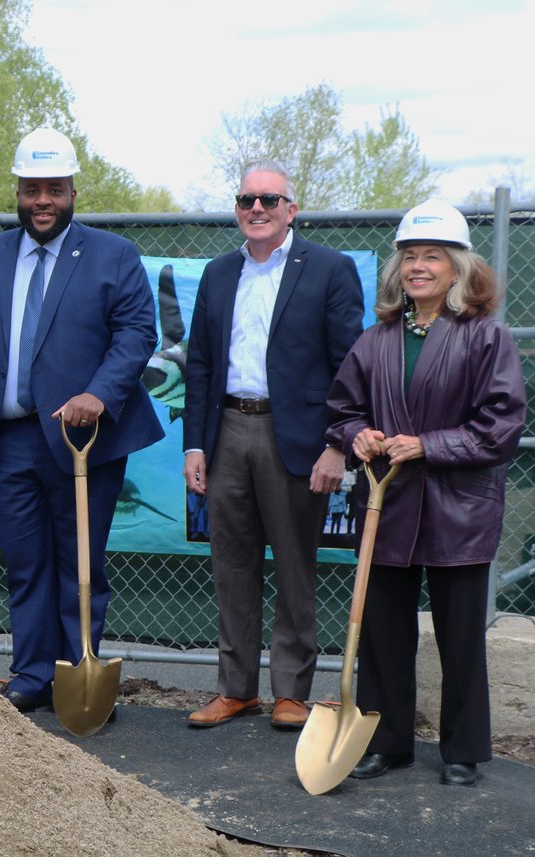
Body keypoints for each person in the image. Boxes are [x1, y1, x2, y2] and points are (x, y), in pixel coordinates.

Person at [0, 128, 163, 711]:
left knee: (80, 565)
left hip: (83, 442)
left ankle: (79, 674)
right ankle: (31, 675)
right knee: (25, 564)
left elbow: (136, 333)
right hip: (6, 444)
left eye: (54, 189)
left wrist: (98, 393)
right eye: (31, 189)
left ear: (73, 191)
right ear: (17, 192)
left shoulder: (112, 255)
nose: (42, 200)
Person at [326, 199, 525, 787]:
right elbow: (341, 409)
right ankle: (385, 743)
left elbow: (502, 425)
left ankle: (463, 750)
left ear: (457, 268)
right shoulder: (376, 339)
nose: (417, 267)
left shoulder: (486, 337)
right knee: (383, 631)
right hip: (387, 504)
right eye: (409, 257)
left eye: (431, 257)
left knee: (459, 634)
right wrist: (355, 434)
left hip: (458, 508)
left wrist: (429, 445)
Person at [182, 160, 364, 730]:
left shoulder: (330, 270)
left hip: (299, 439)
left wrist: (339, 445)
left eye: (268, 199)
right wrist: (194, 446)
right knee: (231, 566)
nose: (255, 209)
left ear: (291, 209)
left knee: (294, 566)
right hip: (228, 429)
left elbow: (349, 367)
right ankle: (236, 689)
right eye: (245, 200)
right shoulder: (216, 274)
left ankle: (291, 692)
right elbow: (201, 366)